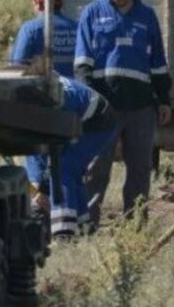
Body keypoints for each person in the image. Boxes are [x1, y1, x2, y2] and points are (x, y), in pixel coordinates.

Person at [75, 0, 172, 225]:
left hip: (140, 106)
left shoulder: (146, 16)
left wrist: (164, 99)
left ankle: (136, 224)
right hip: (105, 107)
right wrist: (89, 103)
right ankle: (87, 223)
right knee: (97, 167)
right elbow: (82, 63)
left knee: (140, 168)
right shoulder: (92, 14)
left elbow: (158, 62)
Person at [9, 0, 78, 211]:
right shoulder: (77, 28)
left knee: (38, 162)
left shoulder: (31, 29)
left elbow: (17, 68)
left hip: (40, 108)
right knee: (67, 165)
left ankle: (40, 210)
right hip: (73, 106)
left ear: (38, 4)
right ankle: (69, 211)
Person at [48, 76, 117, 240]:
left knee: (63, 168)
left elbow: (52, 145)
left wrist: (41, 185)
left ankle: (64, 232)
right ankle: (85, 226)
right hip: (94, 118)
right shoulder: (49, 84)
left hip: (98, 123)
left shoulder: (57, 98)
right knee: (72, 170)